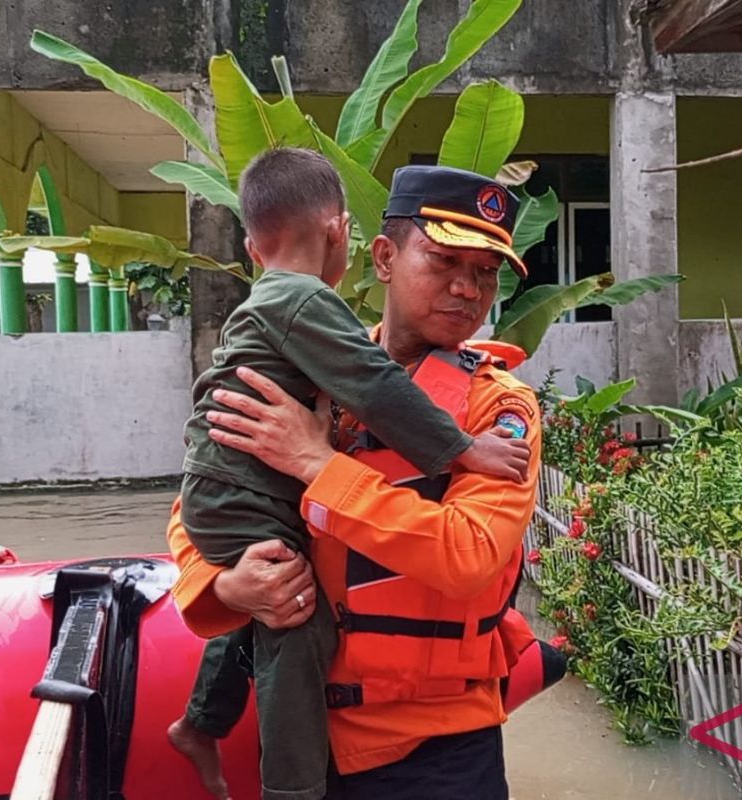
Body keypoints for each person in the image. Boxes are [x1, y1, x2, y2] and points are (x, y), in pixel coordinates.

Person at [168, 165, 551, 800]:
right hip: (306, 735)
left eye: (486, 273)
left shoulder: (496, 413)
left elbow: (470, 556)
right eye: (444, 260)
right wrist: (228, 585)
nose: (466, 289)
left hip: (438, 751)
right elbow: (201, 496)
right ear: (382, 256)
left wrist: (318, 465)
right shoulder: (297, 364)